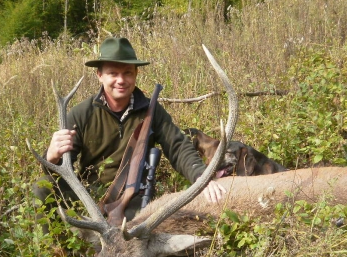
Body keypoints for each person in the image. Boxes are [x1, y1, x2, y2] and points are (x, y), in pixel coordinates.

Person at [33, 37, 226, 227]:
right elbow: (59, 172)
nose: (121, 80)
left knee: (143, 227)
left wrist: (201, 177)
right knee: (43, 187)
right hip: (89, 196)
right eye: (113, 73)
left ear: (136, 73)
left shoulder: (152, 111)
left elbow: (177, 146)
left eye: (127, 73)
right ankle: (62, 254)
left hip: (132, 197)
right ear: (99, 75)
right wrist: (52, 157)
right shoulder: (81, 114)